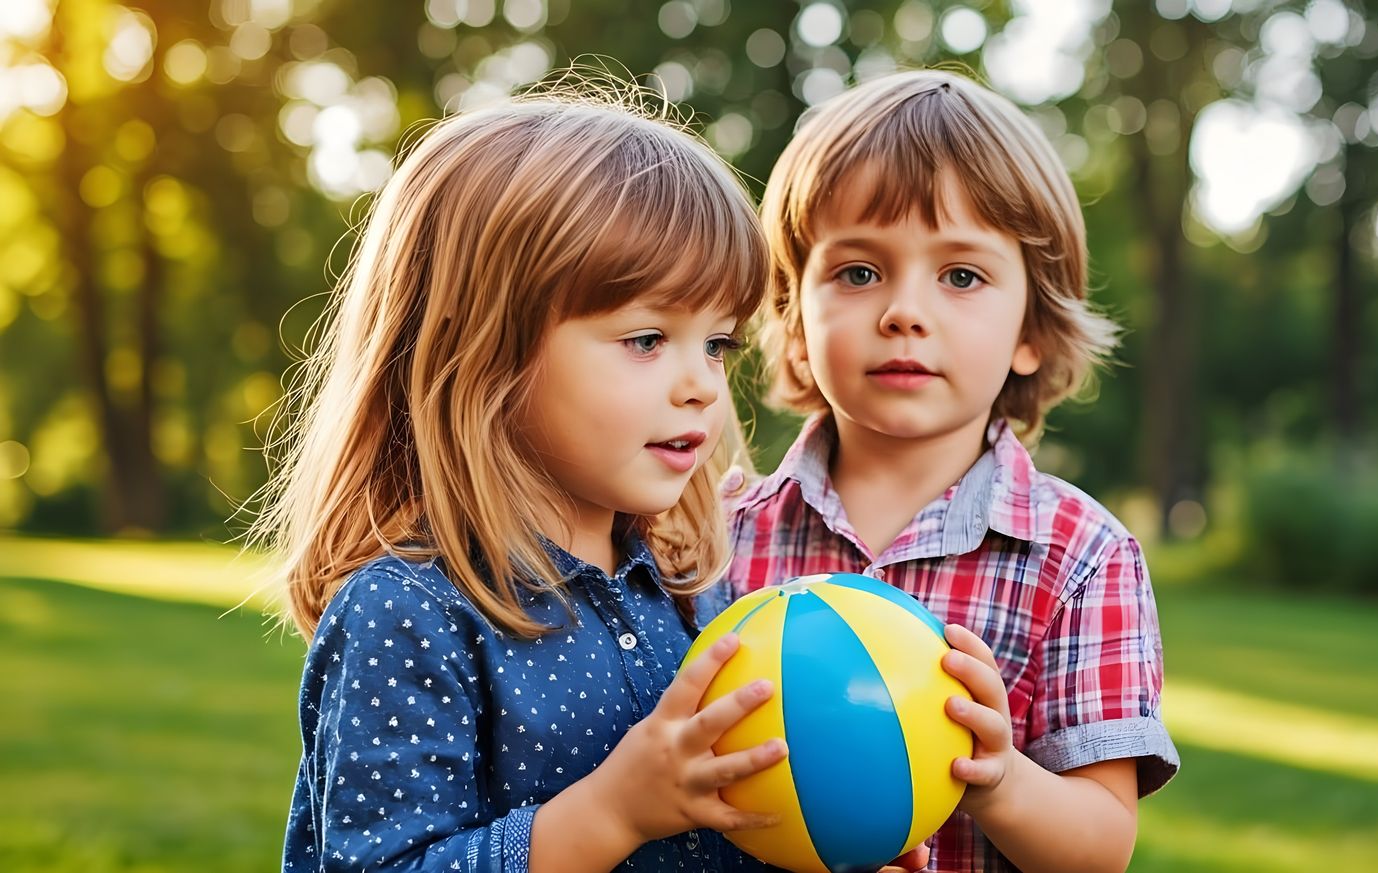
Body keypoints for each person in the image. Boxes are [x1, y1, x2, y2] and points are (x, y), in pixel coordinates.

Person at [259, 84, 794, 872]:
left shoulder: (690, 590)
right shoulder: (408, 612)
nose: (703, 387)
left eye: (718, 343)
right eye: (647, 338)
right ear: (483, 354)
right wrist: (610, 813)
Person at [722, 69, 1180, 872]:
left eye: (961, 275)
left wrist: (999, 779)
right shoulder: (716, 537)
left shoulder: (1081, 558)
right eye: (858, 272)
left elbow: (1101, 846)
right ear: (794, 319)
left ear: (1032, 330)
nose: (904, 311)